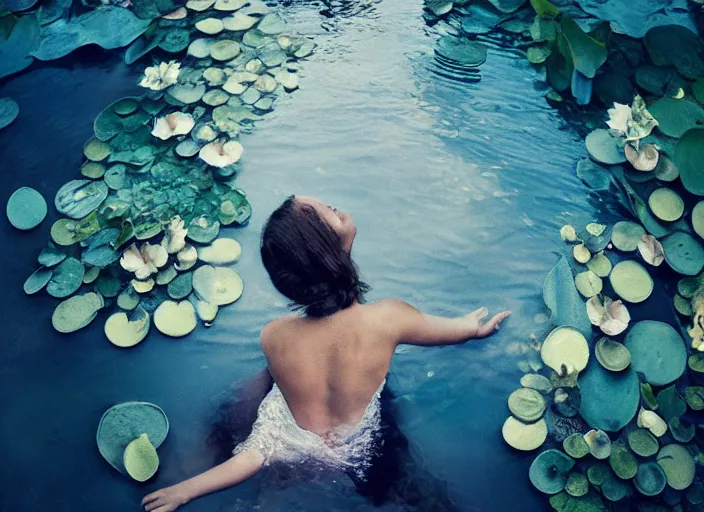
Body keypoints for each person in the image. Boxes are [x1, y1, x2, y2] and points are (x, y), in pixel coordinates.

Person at [142, 195, 511, 512]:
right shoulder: (388, 319)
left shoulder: (274, 336)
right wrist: (475, 327)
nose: (331, 205)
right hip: (357, 445)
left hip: (289, 436)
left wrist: (184, 491)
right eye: (324, 211)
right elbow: (457, 333)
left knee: (254, 438)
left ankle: (188, 477)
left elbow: (256, 453)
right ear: (328, 251)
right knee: (416, 493)